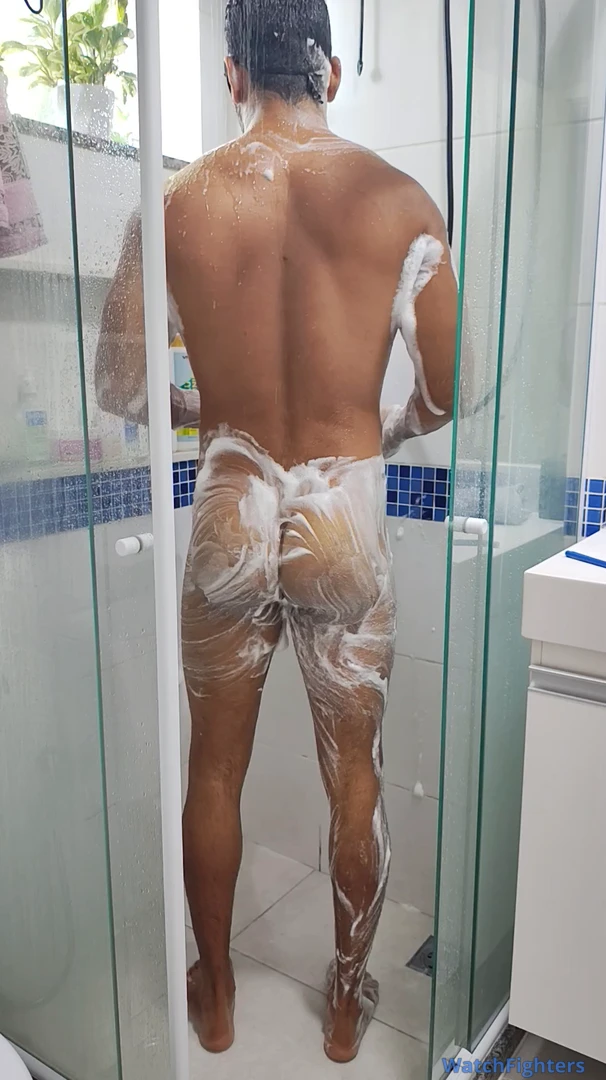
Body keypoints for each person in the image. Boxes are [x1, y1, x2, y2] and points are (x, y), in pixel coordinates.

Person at [96, 0, 458, 1063]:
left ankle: (214, 994)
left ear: (232, 76)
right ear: (331, 74)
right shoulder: (402, 203)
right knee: (356, 778)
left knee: (213, 770)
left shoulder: (172, 206)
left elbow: (120, 387)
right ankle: (345, 1004)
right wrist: (387, 429)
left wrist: (202, 403)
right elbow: (447, 390)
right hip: (342, 512)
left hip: (230, 498)